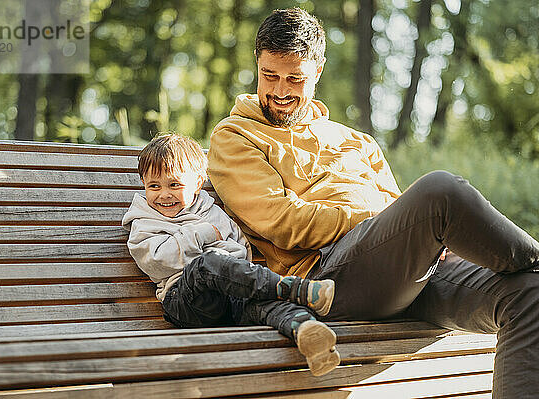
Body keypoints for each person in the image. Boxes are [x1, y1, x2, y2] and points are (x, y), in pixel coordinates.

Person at [207, 7, 539, 398]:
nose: (280, 91)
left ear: (317, 71)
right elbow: (284, 222)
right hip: (328, 276)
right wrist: (382, 219)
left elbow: (401, 218)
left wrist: (419, 233)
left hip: (402, 276)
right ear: (257, 66)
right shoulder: (235, 136)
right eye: (270, 76)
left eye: (294, 78)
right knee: (440, 191)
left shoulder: (357, 141)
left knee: (530, 294)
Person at [122, 133, 340, 376]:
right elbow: (157, 260)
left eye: (174, 185)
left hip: (229, 299)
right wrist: (203, 237)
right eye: (154, 186)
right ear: (143, 183)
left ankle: (309, 333)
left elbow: (240, 249)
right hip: (186, 302)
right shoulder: (143, 222)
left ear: (197, 183)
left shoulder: (212, 211)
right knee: (206, 265)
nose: (164, 194)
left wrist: (224, 264)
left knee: (263, 304)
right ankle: (294, 289)